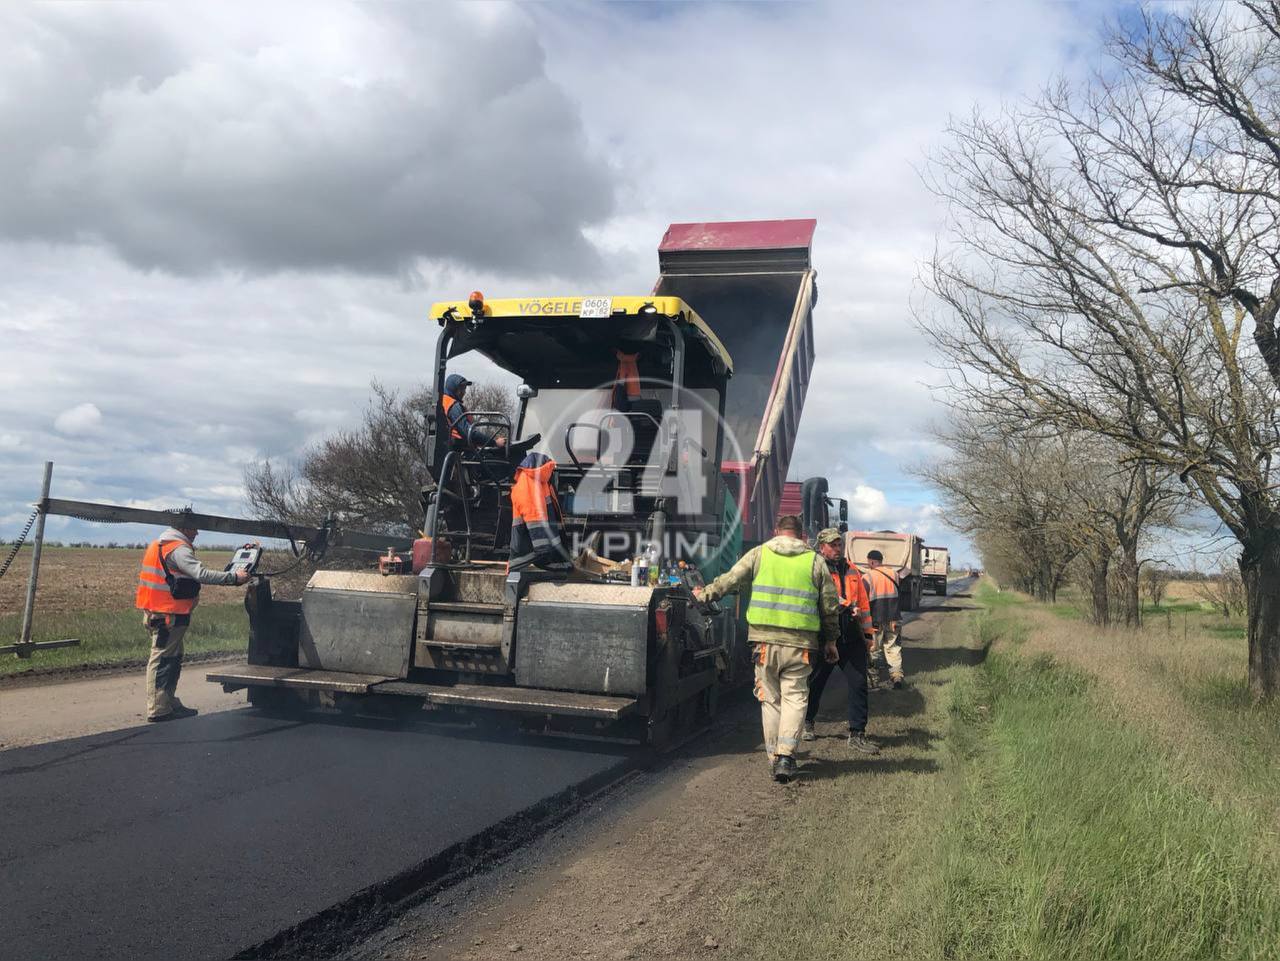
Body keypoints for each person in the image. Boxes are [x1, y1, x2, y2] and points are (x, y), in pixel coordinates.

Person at [693, 515, 839, 783]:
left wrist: (704, 594)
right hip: (801, 644)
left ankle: (774, 758)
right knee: (795, 697)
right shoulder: (815, 561)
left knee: (770, 699)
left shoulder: (759, 553)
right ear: (802, 536)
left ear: (776, 532)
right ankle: (787, 756)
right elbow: (829, 605)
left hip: (763, 641)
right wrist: (831, 640)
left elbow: (730, 579)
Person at [135, 521, 249, 722]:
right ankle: (159, 709)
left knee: (172, 659)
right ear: (183, 528)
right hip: (168, 615)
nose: (196, 532)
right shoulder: (177, 549)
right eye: (194, 527)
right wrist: (234, 577)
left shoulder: (160, 544)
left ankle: (167, 702)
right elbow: (201, 573)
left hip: (161, 613)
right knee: (162, 660)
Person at [802, 529, 880, 755]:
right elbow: (821, 597)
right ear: (821, 547)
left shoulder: (852, 569)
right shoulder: (814, 568)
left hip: (851, 636)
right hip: (825, 636)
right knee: (815, 682)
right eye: (832, 545)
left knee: (858, 684)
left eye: (839, 544)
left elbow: (864, 605)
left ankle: (857, 734)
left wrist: (867, 635)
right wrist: (845, 605)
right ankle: (807, 722)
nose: (837, 548)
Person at [864, 549, 905, 689]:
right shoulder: (894, 574)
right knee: (893, 648)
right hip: (894, 619)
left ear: (871, 561)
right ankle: (897, 677)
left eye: (868, 561)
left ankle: (873, 681)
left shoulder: (867, 577)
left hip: (875, 619)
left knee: (873, 650)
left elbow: (864, 601)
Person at [441, 373, 507, 449]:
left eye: (464, 389)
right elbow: (469, 433)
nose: (464, 392)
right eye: (461, 388)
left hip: (453, 447)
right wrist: (494, 443)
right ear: (453, 388)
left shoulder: (443, 402)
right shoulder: (453, 406)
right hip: (461, 450)